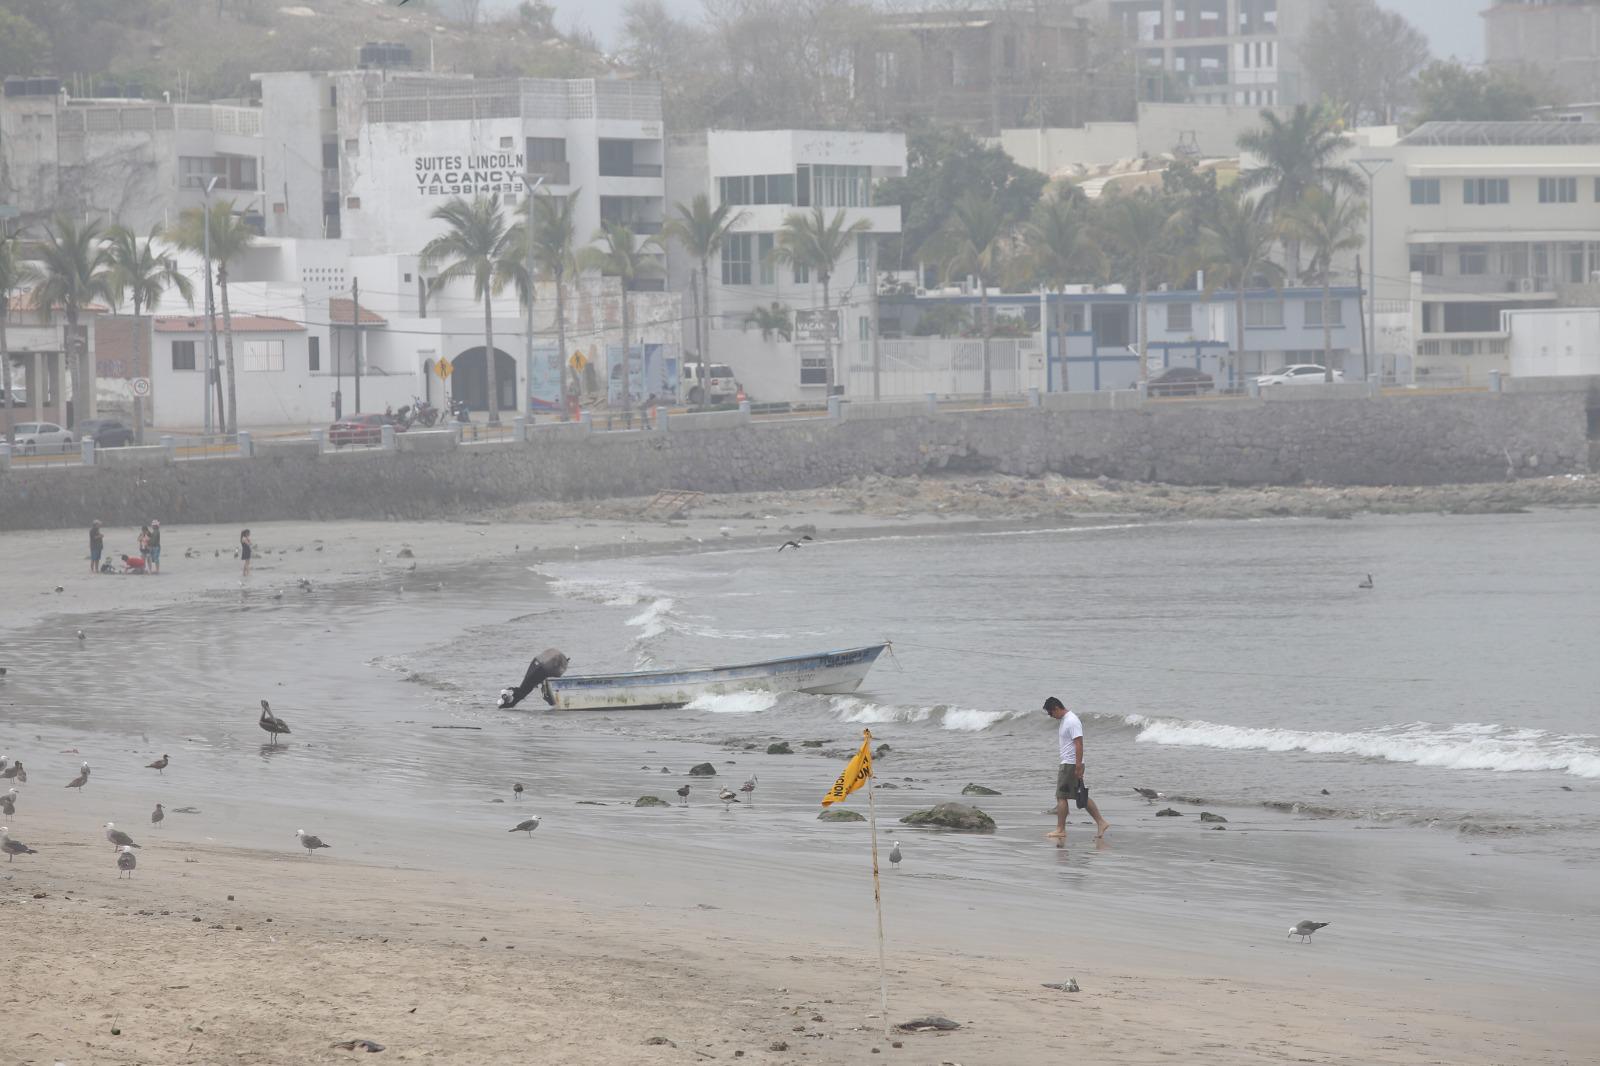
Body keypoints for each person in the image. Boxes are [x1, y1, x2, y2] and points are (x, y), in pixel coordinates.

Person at [1044, 696, 1110, 844]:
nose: (1051, 716)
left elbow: (1079, 743)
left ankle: (1060, 829)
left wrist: (1078, 765)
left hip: (1071, 764)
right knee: (1080, 795)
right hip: (1070, 763)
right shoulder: (1066, 720)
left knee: (1061, 796)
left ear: (1056, 708)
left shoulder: (1071, 721)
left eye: (1050, 713)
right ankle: (1101, 822)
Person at [498, 649, 570, 709]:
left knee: (525, 687)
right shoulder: (559, 662)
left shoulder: (554, 658)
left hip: (537, 664)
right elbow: (554, 676)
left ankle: (508, 697)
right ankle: (509, 697)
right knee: (525, 688)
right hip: (543, 668)